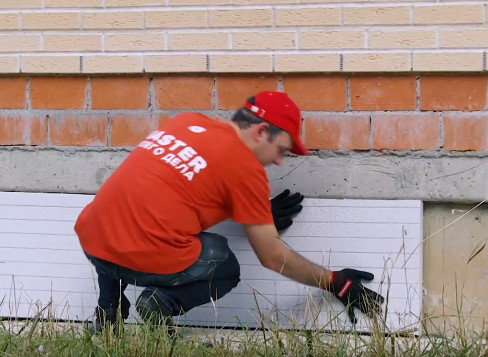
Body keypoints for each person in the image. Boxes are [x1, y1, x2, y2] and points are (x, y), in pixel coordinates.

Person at [74, 90, 384, 333]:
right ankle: (161, 302)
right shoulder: (246, 168)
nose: (278, 161)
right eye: (281, 150)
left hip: (93, 239)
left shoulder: (184, 122)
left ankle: (108, 312)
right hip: (137, 255)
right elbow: (272, 257)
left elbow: (182, 198)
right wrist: (334, 281)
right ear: (261, 131)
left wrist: (256, 211)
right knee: (221, 260)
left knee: (120, 217)